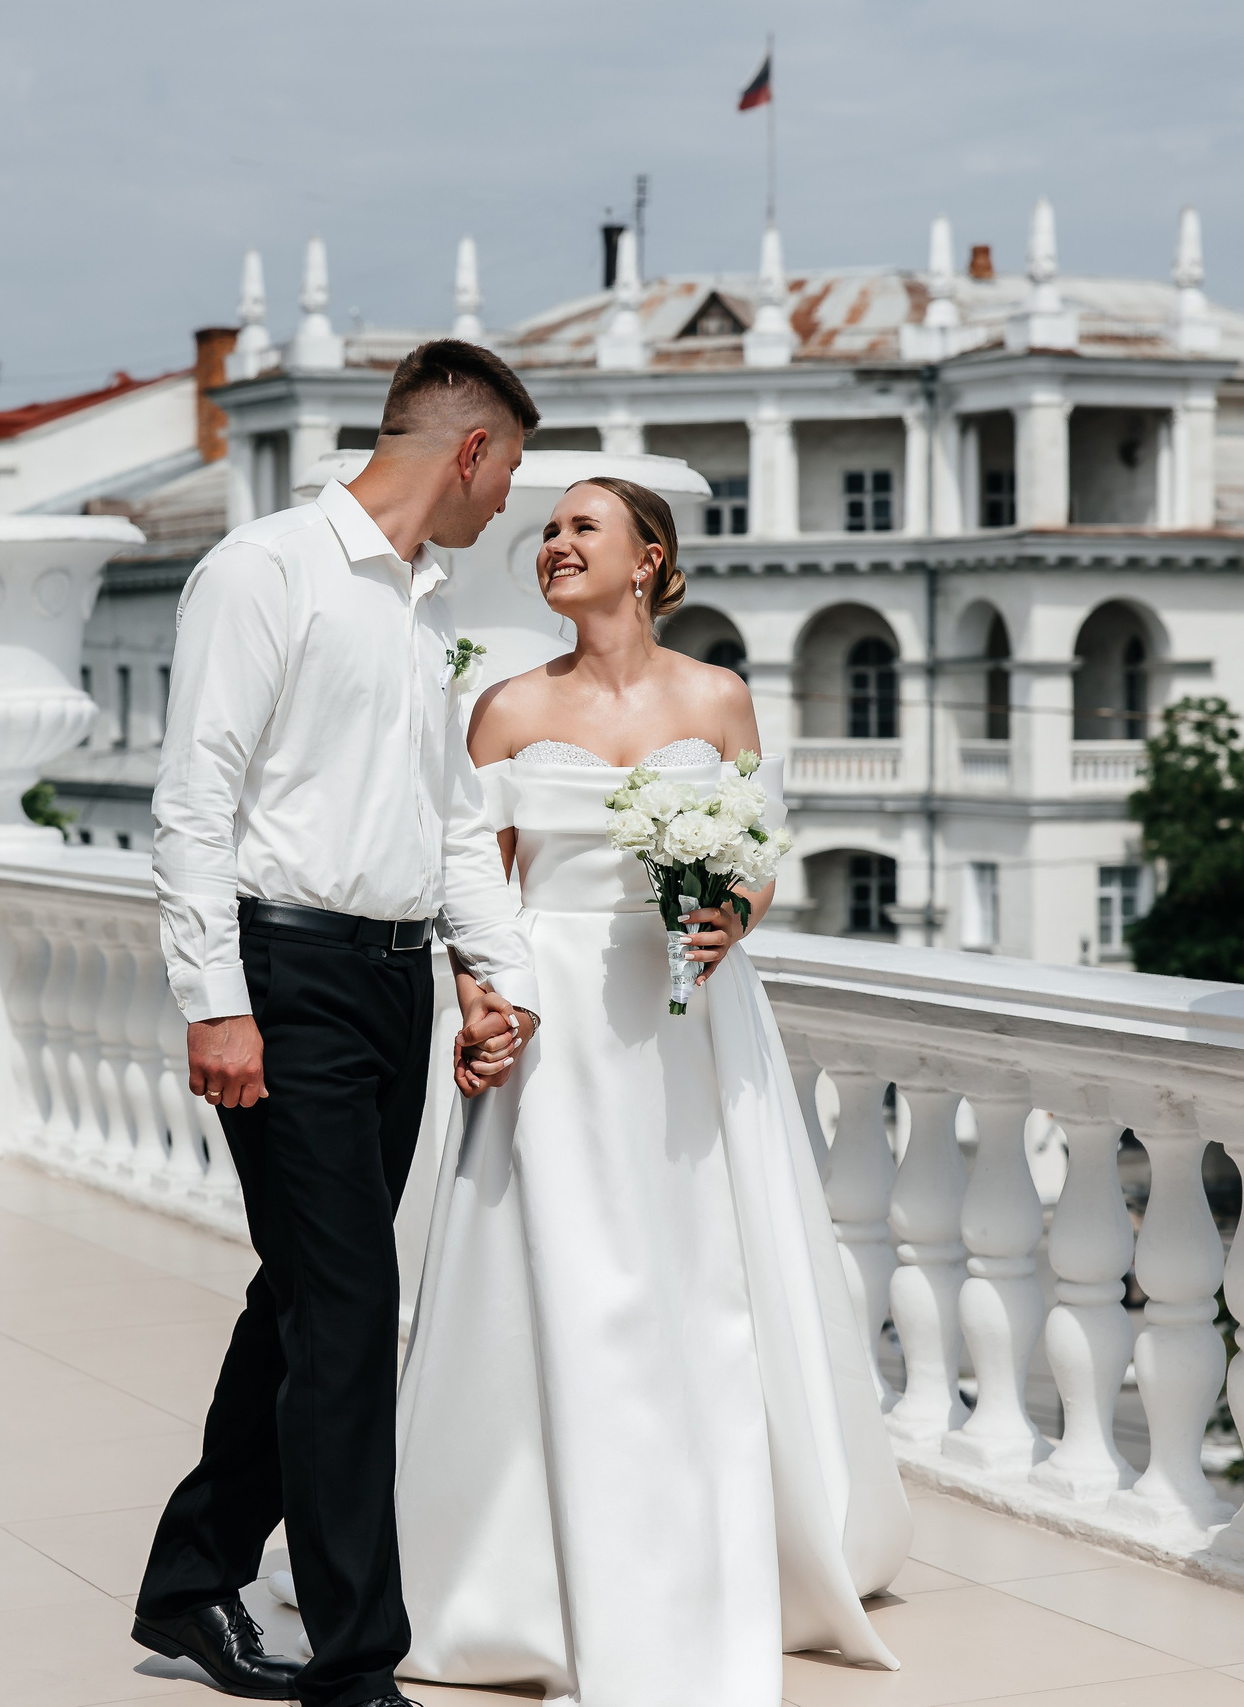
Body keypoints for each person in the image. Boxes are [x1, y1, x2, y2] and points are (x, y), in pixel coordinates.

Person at [392, 477, 911, 1706]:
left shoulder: (717, 696)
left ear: (648, 559)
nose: (556, 547)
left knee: (703, 1272)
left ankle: (719, 1528)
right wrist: (481, 998)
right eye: (548, 534)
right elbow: (477, 886)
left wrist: (733, 916)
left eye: (583, 528)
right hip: (555, 1013)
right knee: (563, 1274)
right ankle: (519, 1565)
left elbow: (755, 857)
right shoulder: (506, 708)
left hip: (691, 1020)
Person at [136, 339, 543, 1707]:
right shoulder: (264, 570)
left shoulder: (426, 610)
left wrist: (488, 967)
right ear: (471, 451)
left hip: (389, 980)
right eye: (511, 476)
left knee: (310, 1291)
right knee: (357, 1302)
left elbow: (438, 820)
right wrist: (217, 998)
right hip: (285, 970)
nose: (509, 510)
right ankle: (358, 1662)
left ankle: (192, 1575)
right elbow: (195, 798)